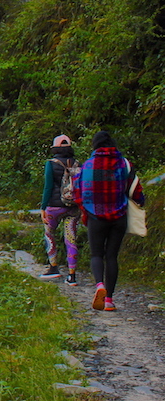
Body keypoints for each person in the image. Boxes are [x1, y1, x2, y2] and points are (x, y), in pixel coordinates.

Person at [76, 130, 144, 312]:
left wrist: (85, 210)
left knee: (96, 255)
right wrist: (140, 202)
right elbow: (136, 189)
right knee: (112, 256)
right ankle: (109, 301)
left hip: (95, 217)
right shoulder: (124, 164)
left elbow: (78, 190)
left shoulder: (88, 165)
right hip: (119, 217)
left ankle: (99, 285)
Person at [39, 135, 81, 285]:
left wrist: (43, 207)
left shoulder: (51, 164)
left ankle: (53, 267)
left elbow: (48, 187)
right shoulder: (77, 163)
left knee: (49, 234)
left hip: (54, 207)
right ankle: (72, 275)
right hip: (73, 208)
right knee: (71, 239)